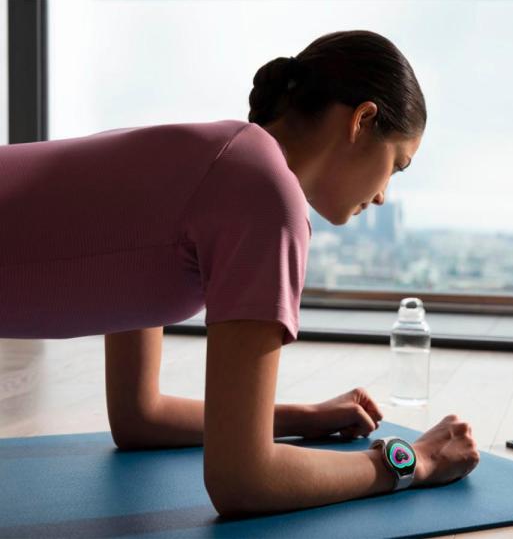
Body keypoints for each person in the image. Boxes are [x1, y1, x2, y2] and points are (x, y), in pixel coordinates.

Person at [0, 29, 479, 517]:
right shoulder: (264, 195)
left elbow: (138, 417)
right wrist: (412, 461)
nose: (382, 197)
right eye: (396, 165)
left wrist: (304, 418)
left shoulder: (213, 158)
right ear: (362, 120)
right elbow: (243, 482)